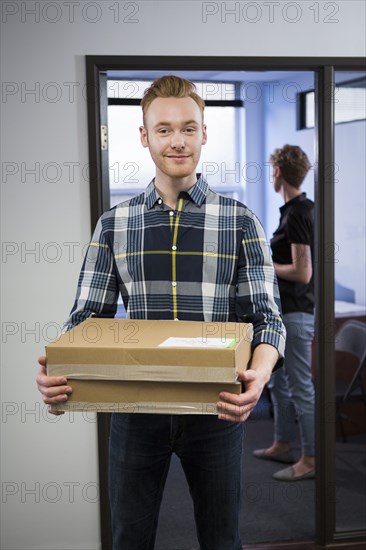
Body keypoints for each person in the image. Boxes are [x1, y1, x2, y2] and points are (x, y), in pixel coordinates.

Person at [36, 75, 286, 550]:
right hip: (135, 408)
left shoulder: (241, 221)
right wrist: (59, 370)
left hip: (218, 408)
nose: (178, 140)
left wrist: (258, 374)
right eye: (165, 129)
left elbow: (267, 319)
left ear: (205, 134)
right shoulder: (115, 223)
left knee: (222, 539)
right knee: (129, 538)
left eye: (189, 128)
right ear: (145, 136)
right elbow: (86, 318)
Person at [253, 144, 315, 481]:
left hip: (297, 313)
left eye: (272, 168)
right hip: (285, 313)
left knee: (300, 386)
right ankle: (282, 443)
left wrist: (267, 266)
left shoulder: (300, 212)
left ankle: (311, 458)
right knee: (280, 382)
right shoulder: (292, 210)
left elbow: (302, 272)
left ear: (278, 172)